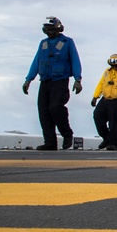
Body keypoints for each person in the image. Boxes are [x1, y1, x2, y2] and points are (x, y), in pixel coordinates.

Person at [23, 16, 83, 151]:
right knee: (43, 111)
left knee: (55, 107)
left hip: (60, 82)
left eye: (51, 29)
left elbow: (75, 61)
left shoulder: (67, 42)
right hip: (45, 82)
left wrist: (77, 80)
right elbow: (36, 61)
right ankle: (50, 142)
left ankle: (67, 134)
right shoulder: (43, 43)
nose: (49, 32)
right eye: (47, 30)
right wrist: (28, 79)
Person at [91, 54, 117, 151]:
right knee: (97, 117)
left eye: (116, 66)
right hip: (105, 99)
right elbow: (101, 84)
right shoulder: (107, 71)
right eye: (113, 66)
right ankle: (107, 138)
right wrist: (95, 97)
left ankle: (112, 143)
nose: (115, 67)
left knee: (114, 122)